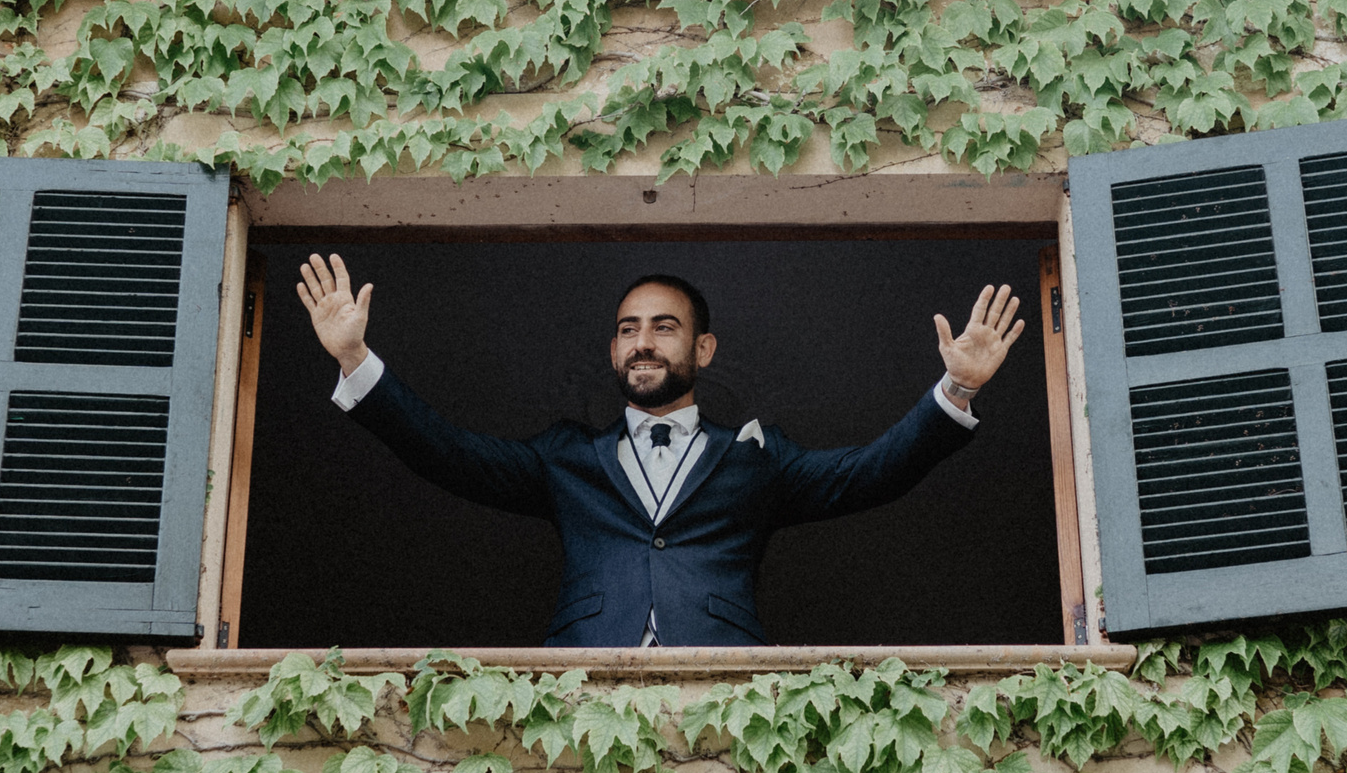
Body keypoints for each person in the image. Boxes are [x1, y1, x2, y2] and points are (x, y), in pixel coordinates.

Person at [295, 255, 1026, 646]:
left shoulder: (756, 460)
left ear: (702, 347)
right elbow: (447, 453)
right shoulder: (566, 457)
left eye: (663, 326)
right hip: (582, 681)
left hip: (729, 683)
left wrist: (954, 390)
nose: (642, 341)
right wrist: (358, 359)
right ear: (613, 348)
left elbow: (873, 472)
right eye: (627, 329)